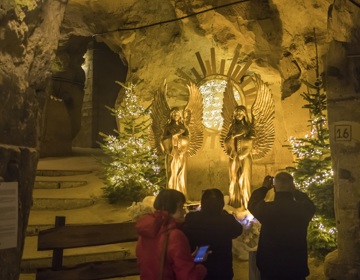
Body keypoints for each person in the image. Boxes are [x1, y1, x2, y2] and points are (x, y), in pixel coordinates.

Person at [248, 172, 316, 280]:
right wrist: (295, 191)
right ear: (292, 187)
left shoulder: (266, 209)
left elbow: (252, 203)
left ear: (274, 188)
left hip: (270, 265)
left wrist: (264, 188)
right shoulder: (301, 209)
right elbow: (310, 205)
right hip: (295, 264)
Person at [136, 189, 207, 280]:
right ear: (170, 208)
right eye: (181, 207)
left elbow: (161, 262)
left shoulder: (145, 232)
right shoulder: (175, 235)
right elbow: (188, 277)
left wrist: (189, 259)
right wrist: (201, 268)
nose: (184, 212)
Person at [183, 188, 243, 280]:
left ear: (202, 203)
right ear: (222, 204)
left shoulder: (191, 218)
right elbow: (238, 230)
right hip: (222, 268)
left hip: (199, 264)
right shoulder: (227, 220)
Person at [224, 105, 255, 209]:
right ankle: (235, 201)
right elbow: (226, 139)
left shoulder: (249, 127)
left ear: (244, 114)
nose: (238, 115)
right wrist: (232, 138)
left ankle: (246, 202)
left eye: (240, 112)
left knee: (244, 178)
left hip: (245, 155)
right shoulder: (232, 127)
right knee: (234, 178)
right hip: (233, 155)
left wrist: (241, 137)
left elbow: (251, 139)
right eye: (236, 112)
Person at [161, 107, 190, 196]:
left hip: (181, 153)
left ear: (180, 115)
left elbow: (188, 138)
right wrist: (173, 136)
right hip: (171, 153)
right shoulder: (167, 127)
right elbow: (163, 140)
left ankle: (181, 194)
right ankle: (171, 194)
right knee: (171, 173)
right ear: (171, 115)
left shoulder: (183, 127)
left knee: (180, 174)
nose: (176, 115)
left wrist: (180, 139)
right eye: (174, 114)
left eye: (177, 114)